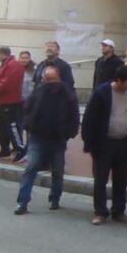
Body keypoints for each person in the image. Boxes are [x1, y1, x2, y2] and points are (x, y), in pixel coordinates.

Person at [14, 65, 80, 214]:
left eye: (52, 79)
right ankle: (22, 202)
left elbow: (74, 115)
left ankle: (54, 198)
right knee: (31, 168)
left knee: (57, 170)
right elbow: (27, 108)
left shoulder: (68, 94)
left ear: (59, 78)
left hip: (58, 139)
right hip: (38, 137)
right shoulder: (38, 91)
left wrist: (70, 132)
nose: (49, 82)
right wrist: (28, 125)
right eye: (46, 79)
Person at [82, 64, 127, 225]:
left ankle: (119, 211)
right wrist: (89, 144)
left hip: (123, 142)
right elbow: (89, 119)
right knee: (101, 179)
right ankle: (100, 212)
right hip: (104, 143)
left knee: (121, 179)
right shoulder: (102, 93)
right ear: (119, 80)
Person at [0, 45, 26, 161]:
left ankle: (20, 149)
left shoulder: (13, 65)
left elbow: (6, 83)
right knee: (1, 127)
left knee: (11, 127)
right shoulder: (4, 65)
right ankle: (4, 149)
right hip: (0, 101)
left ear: (1, 54)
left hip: (9, 101)